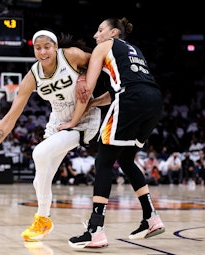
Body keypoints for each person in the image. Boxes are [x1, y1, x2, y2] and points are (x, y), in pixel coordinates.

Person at [0, 29, 101, 242]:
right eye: (38, 48)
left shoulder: (70, 56)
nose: (42, 52)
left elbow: (99, 61)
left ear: (55, 47)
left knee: (39, 153)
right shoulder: (32, 76)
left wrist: (83, 77)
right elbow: (9, 119)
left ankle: (42, 219)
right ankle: (43, 220)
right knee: (39, 180)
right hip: (57, 122)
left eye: (47, 46)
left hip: (84, 117)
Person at [58, 17, 165, 248]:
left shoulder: (104, 46)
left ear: (113, 33)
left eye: (99, 30)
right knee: (126, 160)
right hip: (153, 101)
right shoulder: (134, 50)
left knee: (104, 162)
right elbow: (118, 89)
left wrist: (72, 120)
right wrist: (96, 103)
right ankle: (151, 218)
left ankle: (95, 229)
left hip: (131, 99)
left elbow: (87, 89)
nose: (96, 36)